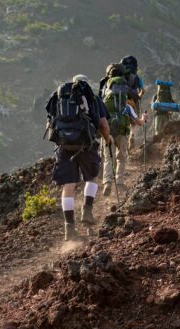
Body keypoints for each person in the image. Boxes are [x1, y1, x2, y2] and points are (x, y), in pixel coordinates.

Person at [46, 75, 112, 241]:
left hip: (64, 146)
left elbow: (51, 123)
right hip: (85, 144)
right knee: (92, 177)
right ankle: (87, 210)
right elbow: (103, 124)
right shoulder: (92, 98)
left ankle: (69, 229)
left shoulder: (58, 98)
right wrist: (108, 140)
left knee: (68, 187)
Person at [100, 63, 147, 197]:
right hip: (122, 131)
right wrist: (144, 118)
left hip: (108, 132)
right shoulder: (127, 105)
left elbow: (100, 118)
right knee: (122, 156)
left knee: (109, 158)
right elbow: (138, 122)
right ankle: (119, 182)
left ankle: (107, 182)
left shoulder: (104, 102)